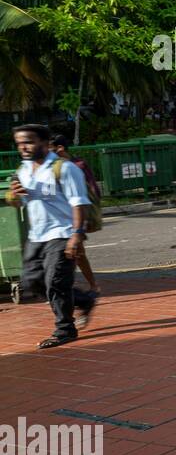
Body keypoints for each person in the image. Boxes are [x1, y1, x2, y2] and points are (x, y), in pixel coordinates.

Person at [5, 124, 97, 349]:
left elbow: (79, 204)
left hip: (63, 232)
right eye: (19, 143)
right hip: (37, 235)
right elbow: (16, 202)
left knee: (55, 282)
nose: (24, 147)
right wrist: (14, 196)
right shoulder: (23, 170)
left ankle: (65, 329)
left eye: (29, 141)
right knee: (31, 282)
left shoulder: (65, 169)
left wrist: (76, 235)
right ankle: (84, 300)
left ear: (45, 143)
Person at [49, 135, 102, 304]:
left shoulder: (77, 166)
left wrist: (86, 217)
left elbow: (93, 190)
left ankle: (91, 287)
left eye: (50, 148)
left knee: (77, 254)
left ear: (60, 149)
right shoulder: (48, 167)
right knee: (74, 255)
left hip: (77, 216)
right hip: (59, 218)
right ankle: (79, 289)